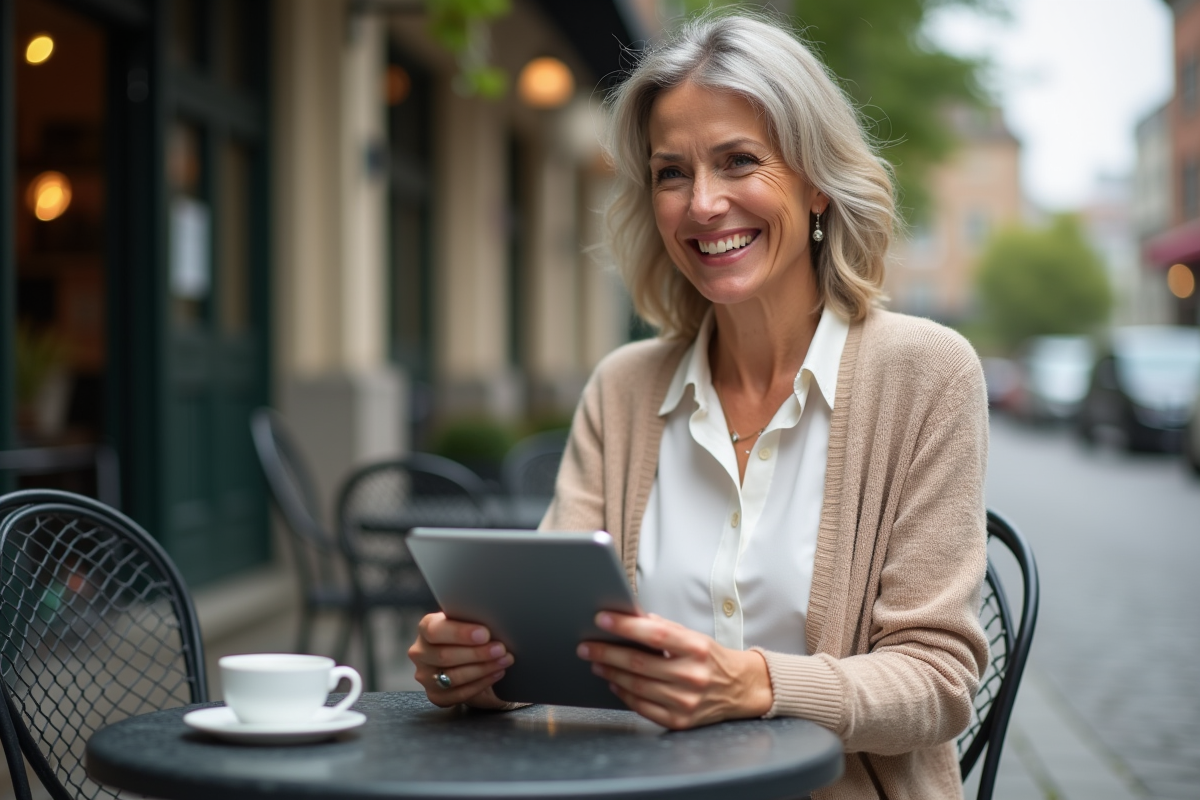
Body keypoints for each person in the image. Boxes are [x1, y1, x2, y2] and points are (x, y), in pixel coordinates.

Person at [409, 12, 989, 799]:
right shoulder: (624, 387)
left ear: (818, 182)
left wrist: (753, 683)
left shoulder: (926, 374)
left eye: (739, 161)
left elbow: (937, 680)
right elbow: (546, 640)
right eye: (672, 173)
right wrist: (476, 669)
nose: (703, 203)